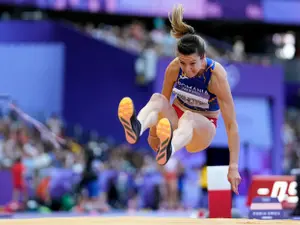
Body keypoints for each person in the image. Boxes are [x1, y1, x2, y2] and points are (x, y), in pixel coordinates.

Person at [117, 4, 241, 194]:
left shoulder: (216, 77)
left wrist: (233, 166)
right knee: (158, 98)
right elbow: (162, 108)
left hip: (202, 129)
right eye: (183, 63)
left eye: (193, 64)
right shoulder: (174, 68)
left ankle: (170, 149)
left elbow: (232, 125)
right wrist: (153, 137)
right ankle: (136, 127)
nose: (187, 69)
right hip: (175, 122)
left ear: (203, 58)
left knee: (189, 118)